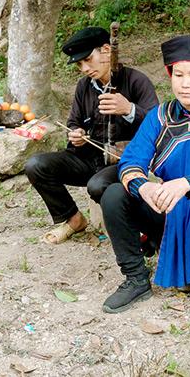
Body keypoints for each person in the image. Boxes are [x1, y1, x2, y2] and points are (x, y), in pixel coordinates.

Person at [100, 35, 190, 313]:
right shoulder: (159, 115)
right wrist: (144, 187)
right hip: (168, 212)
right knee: (114, 194)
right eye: (178, 75)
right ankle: (136, 279)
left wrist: (186, 184)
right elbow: (131, 161)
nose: (185, 83)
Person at [24, 26, 159, 244]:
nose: (85, 68)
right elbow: (73, 122)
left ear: (107, 50)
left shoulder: (136, 81)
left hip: (125, 162)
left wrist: (129, 109)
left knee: (97, 185)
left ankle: (145, 227)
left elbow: (158, 124)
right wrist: (76, 134)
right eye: (79, 64)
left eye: (88, 59)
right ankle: (73, 219)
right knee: (36, 165)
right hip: (88, 159)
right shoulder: (84, 87)